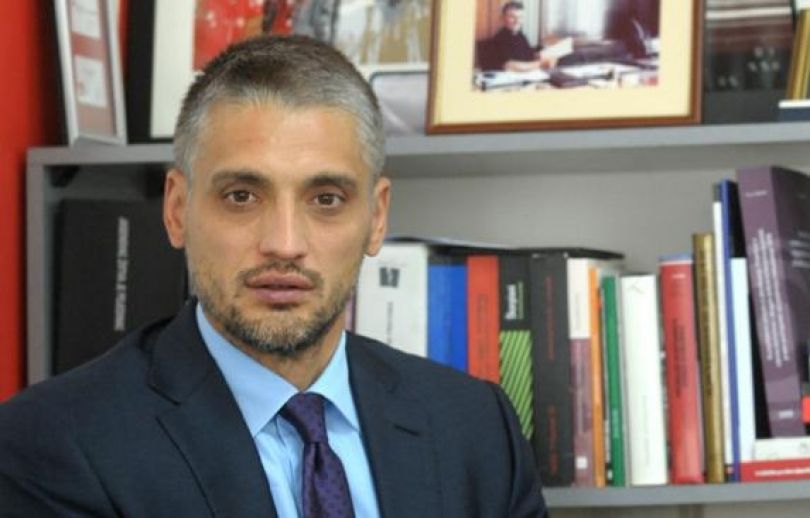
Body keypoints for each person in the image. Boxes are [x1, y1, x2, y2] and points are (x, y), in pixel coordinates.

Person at [0, 35, 547, 517]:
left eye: (326, 199)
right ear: (176, 210)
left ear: (377, 218)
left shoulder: (478, 428)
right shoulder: (52, 443)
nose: (285, 244)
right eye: (242, 196)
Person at [479, 1, 556, 72]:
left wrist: (546, 53)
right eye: (512, 17)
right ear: (502, 18)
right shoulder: (500, 38)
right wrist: (541, 64)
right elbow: (510, 66)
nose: (517, 21)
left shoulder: (520, 36)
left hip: (524, 76)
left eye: (520, 17)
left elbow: (529, 55)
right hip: (507, 79)